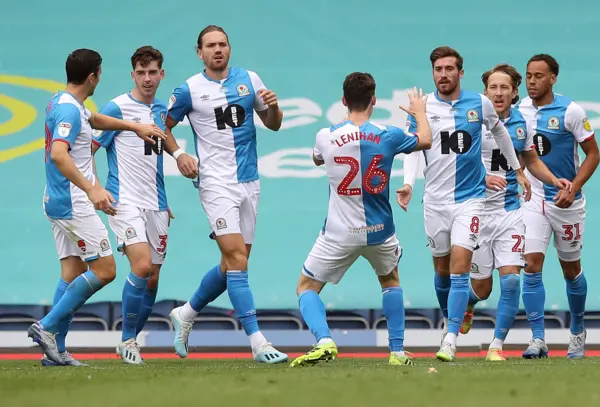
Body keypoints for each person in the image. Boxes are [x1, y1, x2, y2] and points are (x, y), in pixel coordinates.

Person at [31, 48, 166, 365]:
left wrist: (135, 127)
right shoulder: (69, 111)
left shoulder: (67, 103)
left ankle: (56, 353)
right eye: (100, 74)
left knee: (71, 271)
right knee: (105, 269)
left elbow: (97, 119)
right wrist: (93, 189)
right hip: (72, 203)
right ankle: (48, 328)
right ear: (93, 76)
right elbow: (59, 155)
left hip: (56, 199)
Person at [161, 25, 287, 363]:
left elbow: (273, 123)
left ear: (230, 49)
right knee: (236, 260)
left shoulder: (250, 79)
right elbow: (162, 127)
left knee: (234, 262)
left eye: (223, 44)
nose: (218, 50)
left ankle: (186, 313)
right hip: (215, 183)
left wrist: (273, 108)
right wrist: (179, 155)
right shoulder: (188, 89)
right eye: (210, 45)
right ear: (198, 51)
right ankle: (258, 342)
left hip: (249, 181)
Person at [397, 46, 529, 362]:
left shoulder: (478, 104)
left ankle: (451, 340)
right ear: (433, 73)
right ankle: (453, 319)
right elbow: (415, 149)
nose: (443, 74)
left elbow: (500, 133)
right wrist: (407, 184)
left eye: (449, 69)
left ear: (460, 72)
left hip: (470, 201)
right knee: (442, 271)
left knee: (459, 269)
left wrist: (517, 170)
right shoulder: (424, 106)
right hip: (435, 203)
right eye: (438, 69)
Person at [290, 75, 432, 367]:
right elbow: (426, 139)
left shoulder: (325, 136)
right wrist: (419, 112)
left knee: (306, 287)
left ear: (343, 101)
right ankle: (397, 352)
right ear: (374, 100)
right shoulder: (388, 134)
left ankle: (324, 339)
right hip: (380, 231)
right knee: (390, 281)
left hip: (339, 233)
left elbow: (318, 159)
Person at [457, 64, 572, 361]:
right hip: (477, 212)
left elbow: (530, 160)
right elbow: (454, 164)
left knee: (510, 281)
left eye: (504, 87)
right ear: (485, 92)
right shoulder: (472, 121)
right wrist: (481, 178)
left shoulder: (521, 124)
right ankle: (471, 302)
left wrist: (552, 179)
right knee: (482, 288)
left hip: (510, 211)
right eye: (493, 87)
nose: (498, 93)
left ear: (514, 92)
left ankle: (496, 346)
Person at [92, 46, 177, 364]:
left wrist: (165, 202)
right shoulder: (117, 107)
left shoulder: (161, 113)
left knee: (153, 277)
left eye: (152, 72)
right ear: (132, 75)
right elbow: (89, 149)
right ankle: (127, 340)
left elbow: (155, 159)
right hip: (124, 202)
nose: (147, 78)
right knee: (140, 267)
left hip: (156, 204)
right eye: (141, 73)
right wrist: (96, 188)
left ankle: (131, 340)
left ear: (161, 74)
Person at [517, 54, 600, 359]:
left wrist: (573, 188)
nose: (532, 82)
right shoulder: (519, 109)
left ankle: (577, 331)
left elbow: (592, 155)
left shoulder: (572, 111)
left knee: (571, 270)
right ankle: (538, 339)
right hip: (534, 197)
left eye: (539, 76)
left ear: (553, 78)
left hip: (567, 201)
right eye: (528, 76)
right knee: (531, 264)